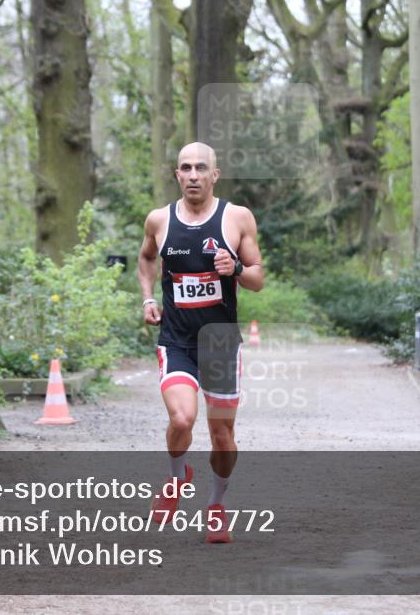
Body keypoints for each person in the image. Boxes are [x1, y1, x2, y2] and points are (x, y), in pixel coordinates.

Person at [136, 141, 264, 543]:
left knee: (222, 436)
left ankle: (216, 507)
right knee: (181, 419)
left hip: (222, 343)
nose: (193, 175)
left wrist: (238, 268)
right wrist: (148, 297)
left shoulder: (237, 218)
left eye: (201, 168)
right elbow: (146, 259)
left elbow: (258, 278)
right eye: (186, 168)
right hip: (176, 340)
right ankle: (178, 479)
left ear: (215, 174)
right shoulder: (159, 220)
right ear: (177, 174)